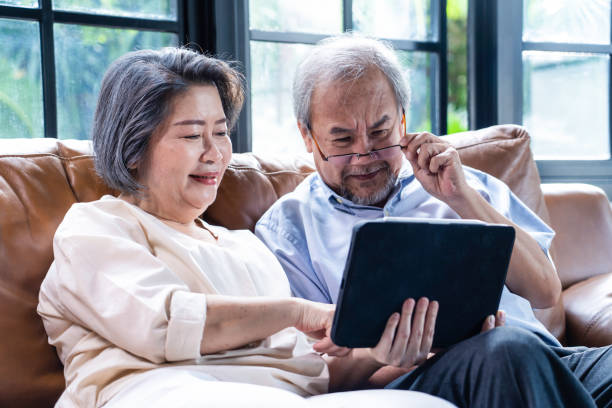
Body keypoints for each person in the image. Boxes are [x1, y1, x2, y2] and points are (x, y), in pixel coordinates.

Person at [37, 47, 463, 408]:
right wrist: (298, 311)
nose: (215, 153)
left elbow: (312, 374)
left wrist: (384, 352)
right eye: (191, 136)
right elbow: (167, 324)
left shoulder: (246, 247)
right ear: (133, 149)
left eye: (221, 132)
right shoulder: (96, 229)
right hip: (160, 394)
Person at [255, 34, 612, 407]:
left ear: (403, 120)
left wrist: (463, 198)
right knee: (505, 351)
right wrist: (410, 352)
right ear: (307, 136)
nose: (365, 155)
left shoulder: (465, 183)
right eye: (342, 140)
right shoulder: (288, 231)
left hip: (549, 361)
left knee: (519, 352)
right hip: (416, 381)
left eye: (379, 132)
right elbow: (312, 376)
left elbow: (545, 291)